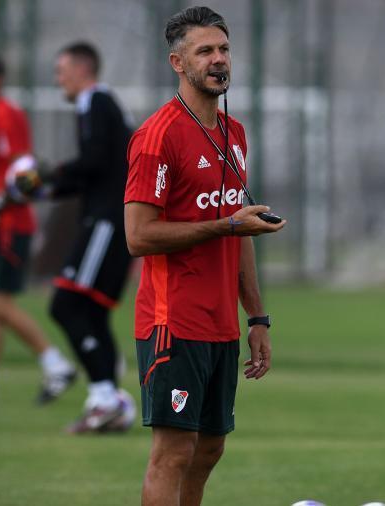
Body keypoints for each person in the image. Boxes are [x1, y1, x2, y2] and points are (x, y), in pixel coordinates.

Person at [123, 6, 285, 505]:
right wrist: (227, 225)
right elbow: (138, 236)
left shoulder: (232, 135)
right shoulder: (158, 136)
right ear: (178, 62)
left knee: (210, 448)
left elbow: (240, 231)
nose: (219, 60)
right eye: (205, 51)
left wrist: (256, 316)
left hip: (221, 324)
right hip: (173, 320)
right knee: (172, 452)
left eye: (224, 49)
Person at [0, 53, 75, 405]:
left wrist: (1, 201)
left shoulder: (7, 115)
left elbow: (24, 168)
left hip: (8, 225)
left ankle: (55, 363)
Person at [49, 41, 135, 432]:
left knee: (65, 304)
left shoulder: (94, 102)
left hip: (105, 222)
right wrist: (50, 186)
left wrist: (49, 175)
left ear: (82, 70)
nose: (58, 79)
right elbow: (98, 169)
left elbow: (95, 162)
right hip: (112, 219)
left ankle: (105, 397)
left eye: (61, 71)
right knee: (94, 314)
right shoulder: (104, 106)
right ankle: (108, 403)